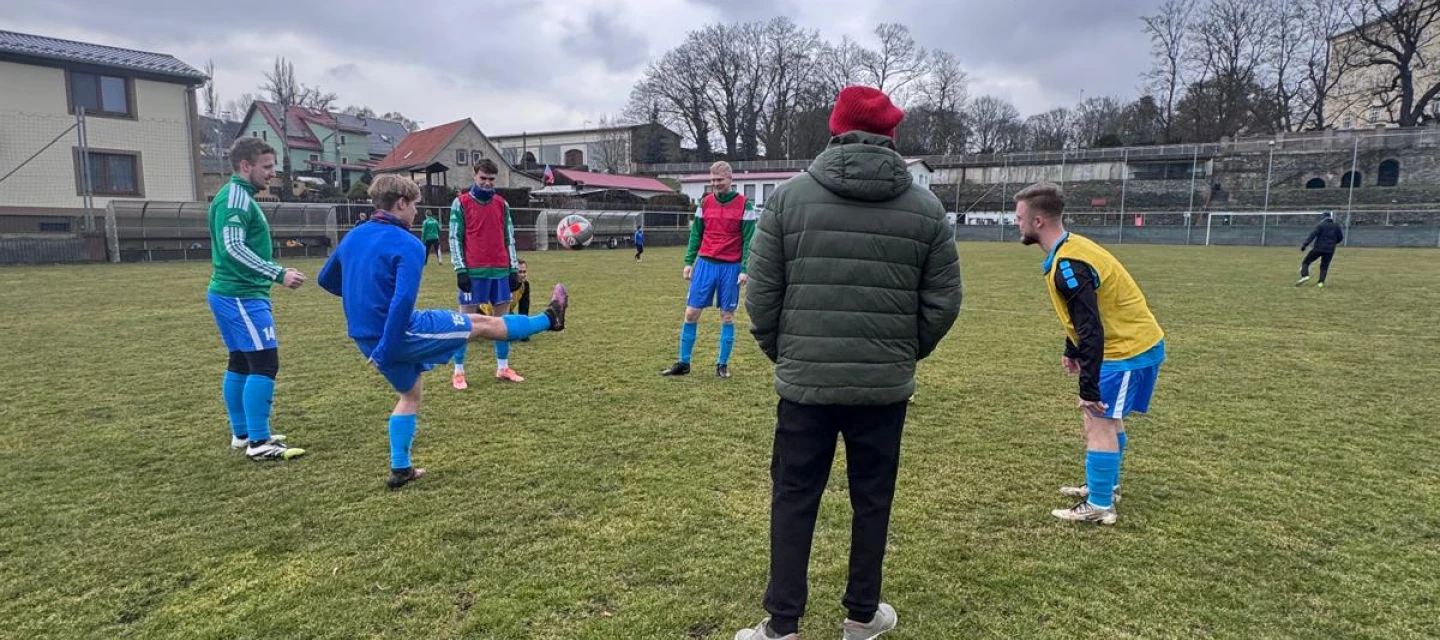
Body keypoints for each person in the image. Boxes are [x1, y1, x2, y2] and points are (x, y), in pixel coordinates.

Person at [736, 85, 962, 640]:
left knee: (793, 498)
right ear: (892, 136)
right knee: (872, 500)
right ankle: (862, 615)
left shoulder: (788, 200)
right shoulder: (927, 209)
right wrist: (901, 353)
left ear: (836, 130)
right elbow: (943, 302)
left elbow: (761, 296)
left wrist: (789, 354)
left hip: (806, 385)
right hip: (881, 390)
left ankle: (782, 624)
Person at [318, 175, 569, 490]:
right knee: (481, 324)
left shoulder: (355, 236)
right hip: (399, 332)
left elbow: (325, 280)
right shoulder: (408, 243)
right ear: (401, 203)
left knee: (410, 394)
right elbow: (402, 302)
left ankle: (401, 469)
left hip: (365, 337)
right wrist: (387, 344)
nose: (417, 215)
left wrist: (365, 301)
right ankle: (551, 318)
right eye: (415, 207)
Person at [1012, 182, 1166, 526]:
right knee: (1103, 420)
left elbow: (1091, 326)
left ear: (1038, 221)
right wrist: (1072, 349)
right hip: (1126, 346)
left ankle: (1100, 505)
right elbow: (1083, 315)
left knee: (1098, 420)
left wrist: (1088, 385)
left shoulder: (1069, 264)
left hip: (1125, 350)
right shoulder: (1072, 248)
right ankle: (1104, 487)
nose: (1016, 223)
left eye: (1020, 217)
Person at [206, 136, 307, 461]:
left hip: (234, 293)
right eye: (266, 167)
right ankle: (259, 442)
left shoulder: (239, 197)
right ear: (245, 166)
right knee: (264, 362)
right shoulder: (235, 199)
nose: (271, 174)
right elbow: (234, 248)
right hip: (240, 294)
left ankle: (244, 434)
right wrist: (277, 274)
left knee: (241, 362)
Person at [660, 161, 757, 380]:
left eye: (719, 180)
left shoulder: (744, 205)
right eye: (712, 180)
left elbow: (749, 240)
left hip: (730, 267)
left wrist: (745, 269)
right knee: (691, 313)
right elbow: (696, 234)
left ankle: (722, 365)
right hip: (705, 264)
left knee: (727, 317)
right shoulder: (705, 203)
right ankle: (683, 363)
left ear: (730, 180)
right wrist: (688, 262)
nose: (715, 184)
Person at [447, 159, 524, 388]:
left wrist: (512, 268)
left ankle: (503, 367)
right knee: (465, 323)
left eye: (491, 179)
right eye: (484, 178)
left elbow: (508, 237)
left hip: (500, 270)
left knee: (502, 322)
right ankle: (458, 371)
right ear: (475, 175)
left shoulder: (502, 204)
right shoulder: (460, 203)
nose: (488, 183)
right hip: (473, 271)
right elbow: (454, 238)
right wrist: (460, 269)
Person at [479, 259, 532, 343]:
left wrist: (524, 328)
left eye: (524, 272)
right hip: (484, 313)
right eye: (519, 272)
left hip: (505, 312)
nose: (522, 275)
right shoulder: (503, 283)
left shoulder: (525, 285)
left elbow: (524, 308)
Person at [1297, 213, 1344, 288]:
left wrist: (1304, 245)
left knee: (1306, 262)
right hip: (1330, 250)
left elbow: (1312, 235)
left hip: (1318, 248)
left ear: (1323, 218)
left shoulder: (1321, 225)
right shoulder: (1336, 226)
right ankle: (1320, 283)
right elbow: (1340, 237)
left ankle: (1305, 275)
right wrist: (1332, 243)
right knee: (1324, 266)